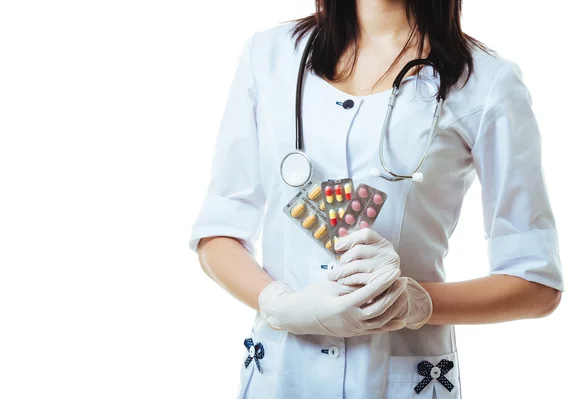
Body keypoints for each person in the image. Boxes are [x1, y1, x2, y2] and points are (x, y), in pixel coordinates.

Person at [189, 0, 563, 397]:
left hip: (398, 379)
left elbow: (536, 283)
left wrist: (413, 303)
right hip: (281, 375)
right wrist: (279, 304)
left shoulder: (487, 82)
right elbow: (218, 231)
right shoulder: (268, 56)